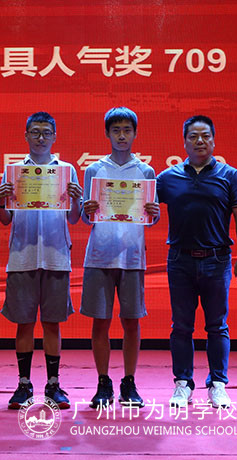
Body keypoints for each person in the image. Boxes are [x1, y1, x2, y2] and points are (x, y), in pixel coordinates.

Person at [156, 115, 237, 409]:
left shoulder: (229, 175)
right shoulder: (167, 178)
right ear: (184, 141)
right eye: (194, 136)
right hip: (180, 260)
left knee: (217, 326)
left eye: (206, 136)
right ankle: (182, 384)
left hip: (217, 261)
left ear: (213, 140)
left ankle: (217, 384)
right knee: (181, 326)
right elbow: (143, 208)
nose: (200, 141)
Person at [0, 112, 83, 410]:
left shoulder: (66, 170)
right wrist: (1, 201)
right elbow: (5, 219)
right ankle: (23, 384)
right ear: (26, 135)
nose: (41, 138)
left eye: (46, 132)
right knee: (24, 324)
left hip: (56, 257)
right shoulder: (14, 171)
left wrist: (76, 199)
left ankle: (53, 385)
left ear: (55, 136)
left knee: (52, 324)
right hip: (22, 257)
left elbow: (74, 218)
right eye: (35, 132)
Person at [80, 107, 159, 408]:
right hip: (99, 256)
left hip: (132, 257)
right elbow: (86, 218)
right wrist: (87, 211)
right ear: (107, 134)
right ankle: (103, 382)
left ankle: (129, 382)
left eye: (127, 130)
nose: (122, 135)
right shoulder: (94, 170)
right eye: (116, 130)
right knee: (100, 322)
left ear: (135, 133)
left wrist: (154, 214)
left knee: (131, 322)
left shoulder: (146, 172)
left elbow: (149, 218)